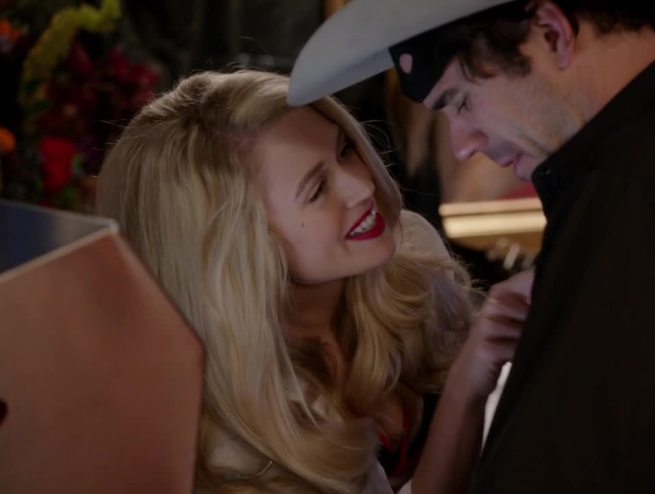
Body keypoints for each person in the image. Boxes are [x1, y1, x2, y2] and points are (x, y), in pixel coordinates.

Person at [289, 0, 655, 492]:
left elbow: (554, 474)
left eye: (462, 100)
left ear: (553, 32)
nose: (463, 144)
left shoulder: (639, 197)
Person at [96, 69, 532, 493]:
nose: (361, 186)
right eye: (317, 189)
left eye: (345, 150)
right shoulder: (227, 439)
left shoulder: (409, 250)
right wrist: (464, 392)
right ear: (240, 249)